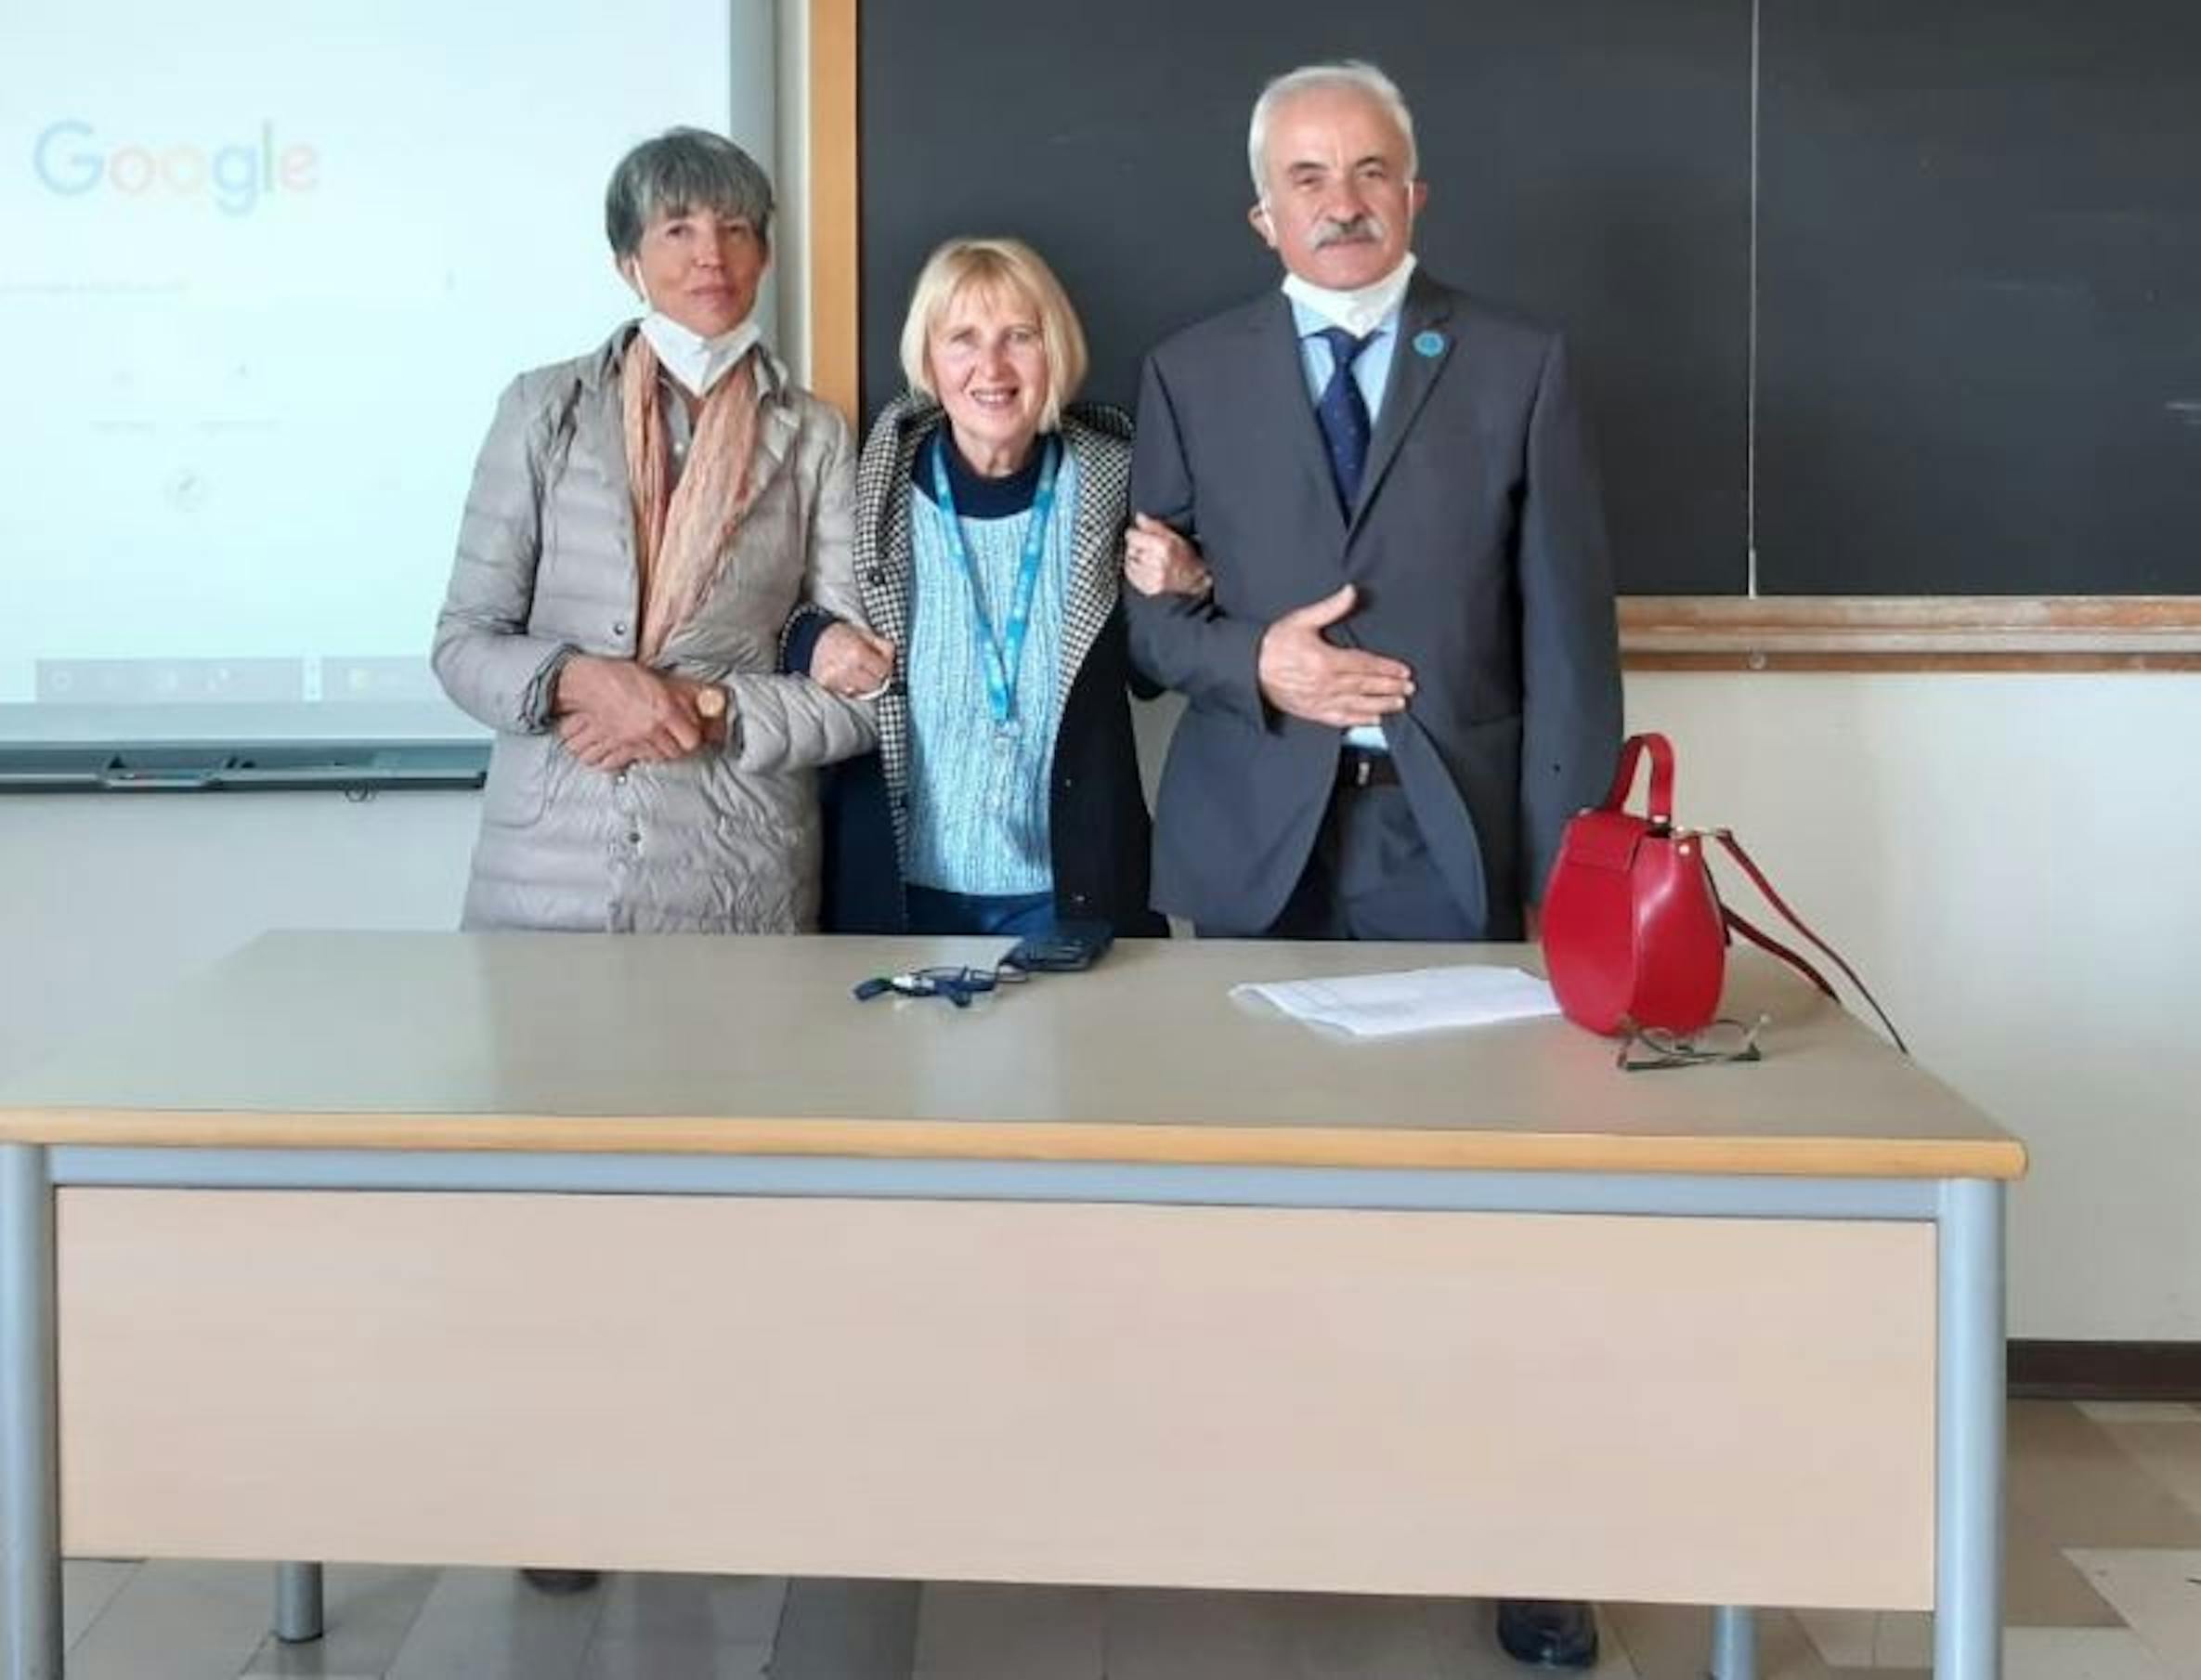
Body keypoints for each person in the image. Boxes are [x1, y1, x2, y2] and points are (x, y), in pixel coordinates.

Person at [1122, 60, 1622, 1668]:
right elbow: (1144, 627)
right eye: (1308, 177)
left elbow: (1570, 642)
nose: (1341, 202)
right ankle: (1269, 1492)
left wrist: (1568, 890)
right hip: (1251, 840)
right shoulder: (1189, 371)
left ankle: (1525, 1541)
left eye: (1371, 172)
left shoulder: (1520, 364)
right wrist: (1255, 665)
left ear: (1418, 195)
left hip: (1450, 837)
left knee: (1483, 1211)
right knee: (1249, 1201)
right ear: (1260, 211)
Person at [434, 127, 873, 936]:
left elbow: (860, 698)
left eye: (736, 229)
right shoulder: (544, 411)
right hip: (547, 877)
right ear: (626, 261)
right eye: (679, 229)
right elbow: (462, 645)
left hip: (738, 879)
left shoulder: (815, 435)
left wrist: (703, 708)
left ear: (765, 255)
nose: (712, 254)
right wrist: (583, 680)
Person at [786, 237, 1201, 937]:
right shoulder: (866, 492)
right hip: (896, 886)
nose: (992, 368)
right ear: (928, 360)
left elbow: (1152, 673)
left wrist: (1189, 584)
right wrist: (811, 639)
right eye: (963, 340)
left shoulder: (1121, 487)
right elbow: (774, 608)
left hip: (1074, 888)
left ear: (1056, 351)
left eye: (1020, 337)